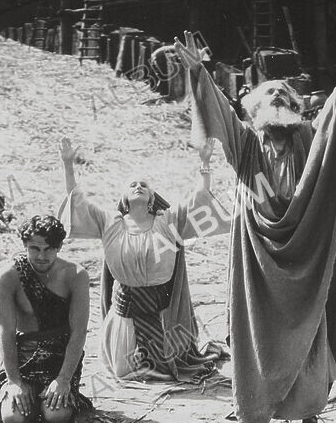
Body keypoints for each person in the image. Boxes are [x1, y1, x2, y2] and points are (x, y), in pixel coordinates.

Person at [177, 29, 336, 423]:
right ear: (255, 108)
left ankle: (309, 420)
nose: (276, 99)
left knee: (310, 335)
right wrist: (199, 70)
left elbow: (333, 120)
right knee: (256, 336)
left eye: (285, 97)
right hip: (258, 262)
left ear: (295, 109)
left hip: (306, 257)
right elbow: (219, 109)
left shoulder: (308, 140)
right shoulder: (247, 144)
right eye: (269, 95)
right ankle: (258, 420)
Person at [59, 137, 228, 382]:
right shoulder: (110, 223)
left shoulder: (167, 221)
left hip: (159, 307)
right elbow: (76, 199)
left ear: (151, 199)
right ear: (125, 200)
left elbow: (200, 198)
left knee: (167, 371)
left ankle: (162, 350)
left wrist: (205, 161)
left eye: (144, 186)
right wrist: (67, 165)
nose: (138, 186)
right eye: (132, 185)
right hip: (125, 309)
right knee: (125, 372)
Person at [0, 215, 92, 423]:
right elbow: (5, 332)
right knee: (14, 420)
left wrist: (63, 380)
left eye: (49, 249)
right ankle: (23, 394)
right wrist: (14, 381)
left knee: (56, 417)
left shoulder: (76, 275)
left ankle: (63, 397)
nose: (42, 256)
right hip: (23, 358)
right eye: (35, 248)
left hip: (59, 359)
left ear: (60, 246)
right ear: (24, 245)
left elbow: (78, 332)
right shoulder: (9, 276)